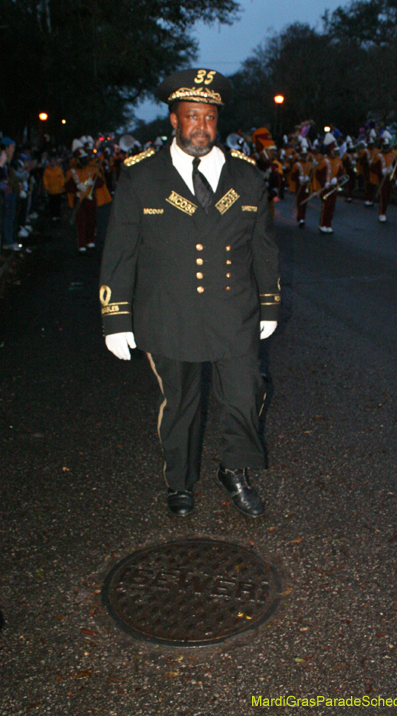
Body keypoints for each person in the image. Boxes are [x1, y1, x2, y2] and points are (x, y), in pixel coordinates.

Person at [100, 68, 280, 518]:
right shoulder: (141, 177)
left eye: (210, 118)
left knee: (246, 393)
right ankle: (179, 480)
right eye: (192, 116)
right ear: (174, 121)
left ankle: (235, 469)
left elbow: (262, 245)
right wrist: (115, 317)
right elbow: (121, 249)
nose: (202, 127)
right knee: (180, 403)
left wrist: (270, 302)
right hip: (168, 312)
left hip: (234, 311)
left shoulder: (247, 175)